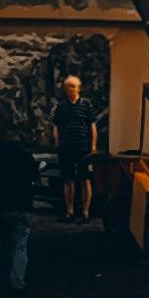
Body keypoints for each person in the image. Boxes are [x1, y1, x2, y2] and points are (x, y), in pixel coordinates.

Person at [0, 132, 39, 295]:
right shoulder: (27, 157)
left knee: (5, 243)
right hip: (24, 205)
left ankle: (5, 277)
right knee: (20, 246)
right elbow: (35, 178)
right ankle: (17, 281)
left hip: (3, 205)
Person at [54, 72, 98, 221]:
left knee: (85, 179)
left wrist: (93, 146)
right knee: (68, 179)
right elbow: (56, 126)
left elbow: (92, 126)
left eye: (73, 86)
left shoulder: (86, 105)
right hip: (66, 148)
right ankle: (70, 211)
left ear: (79, 88)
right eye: (68, 87)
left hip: (83, 148)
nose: (71, 89)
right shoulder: (61, 107)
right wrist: (58, 143)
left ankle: (86, 211)